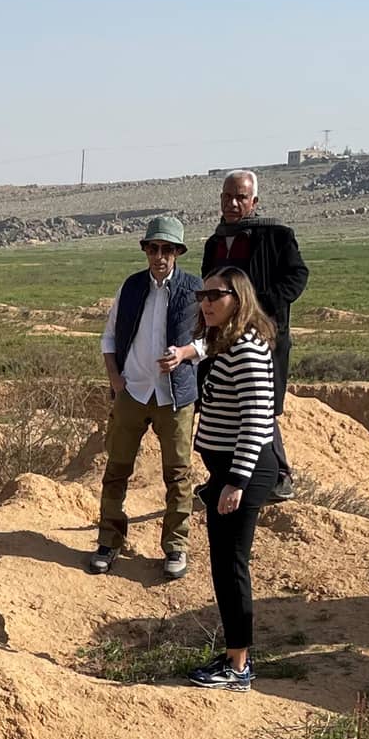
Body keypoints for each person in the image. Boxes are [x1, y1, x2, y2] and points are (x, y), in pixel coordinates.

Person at [185, 269, 281, 690]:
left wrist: (236, 481)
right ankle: (234, 655)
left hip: (243, 471)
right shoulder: (227, 341)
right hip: (226, 470)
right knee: (225, 564)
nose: (206, 302)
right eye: (202, 295)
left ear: (238, 298)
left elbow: (258, 419)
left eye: (215, 295)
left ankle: (238, 666)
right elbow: (205, 349)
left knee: (230, 566)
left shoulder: (245, 349)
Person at [91, 214, 202, 578]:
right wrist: (114, 378)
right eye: (153, 248)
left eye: (167, 249)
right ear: (145, 251)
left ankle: (175, 546)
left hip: (175, 396)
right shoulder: (131, 287)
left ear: (178, 252)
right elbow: (109, 336)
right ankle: (108, 542)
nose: (159, 256)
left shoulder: (194, 288)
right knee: (116, 469)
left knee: (178, 474)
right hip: (133, 391)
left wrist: (185, 354)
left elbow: (212, 338)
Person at [202, 171, 311, 499]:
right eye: (227, 197)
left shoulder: (276, 235)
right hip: (222, 339)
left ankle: (278, 475)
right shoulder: (215, 242)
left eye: (241, 197)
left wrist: (260, 305)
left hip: (265, 336)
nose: (233, 203)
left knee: (260, 405)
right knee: (224, 402)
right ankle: (221, 475)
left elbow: (297, 276)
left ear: (254, 201)